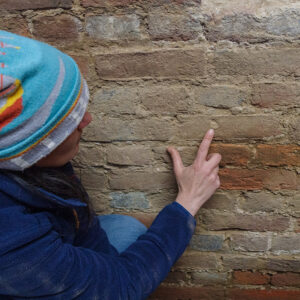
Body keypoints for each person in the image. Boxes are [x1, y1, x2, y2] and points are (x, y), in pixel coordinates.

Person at [0, 30, 221, 299]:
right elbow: (122, 286)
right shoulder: (12, 245)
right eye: (67, 122)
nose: (87, 120)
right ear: (26, 147)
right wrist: (187, 204)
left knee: (125, 228)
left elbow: (90, 237)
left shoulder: (32, 163)